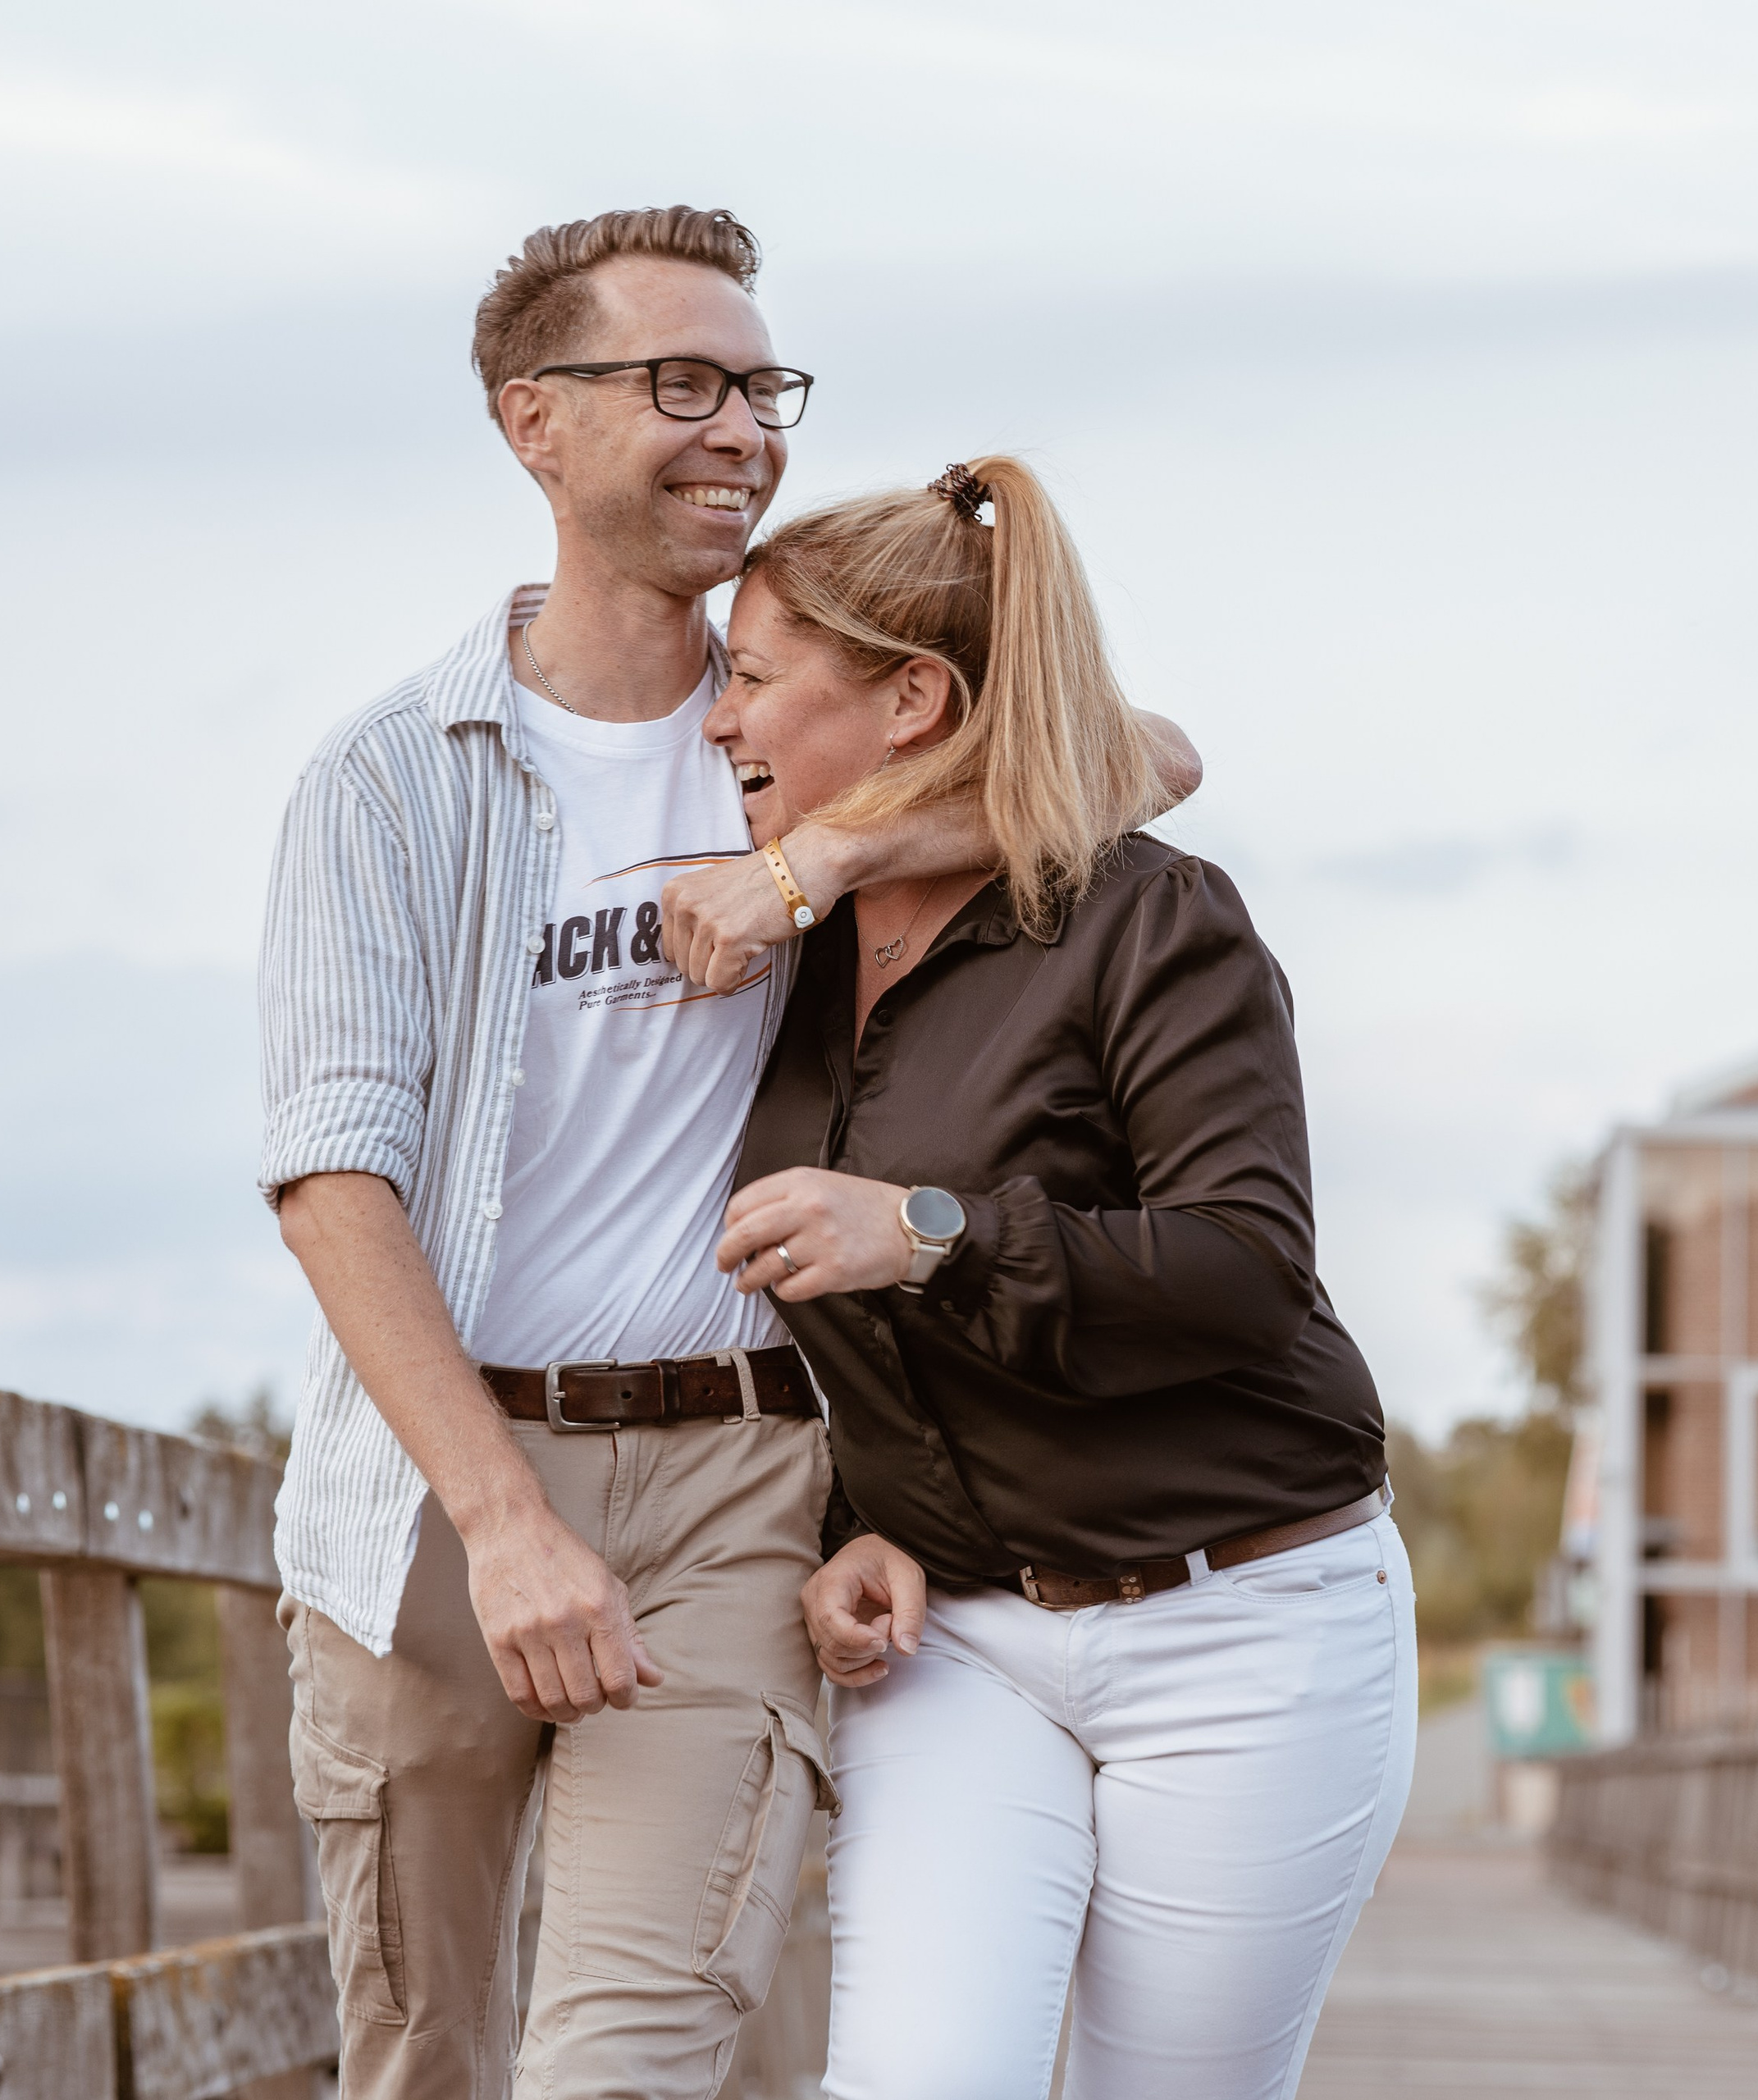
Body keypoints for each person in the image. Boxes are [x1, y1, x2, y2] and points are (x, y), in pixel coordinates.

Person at [258, 208, 1198, 2099]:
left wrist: (820, 859)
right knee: (423, 2056)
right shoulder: (385, 776)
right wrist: (505, 1523)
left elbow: (1140, 753)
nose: (740, 431)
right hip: (435, 1493)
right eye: (677, 384)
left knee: (634, 2055)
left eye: (758, 387)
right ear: (535, 422)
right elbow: (331, 1174)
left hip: (733, 1481)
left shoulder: (802, 730)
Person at [710, 456, 1417, 2100]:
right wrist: (848, 1518)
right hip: (954, 1637)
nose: (712, 720)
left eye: (747, 679)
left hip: (1242, 1620)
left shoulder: (1149, 917)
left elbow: (1245, 1264)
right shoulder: (787, 943)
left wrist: (927, 1227)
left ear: (909, 700)